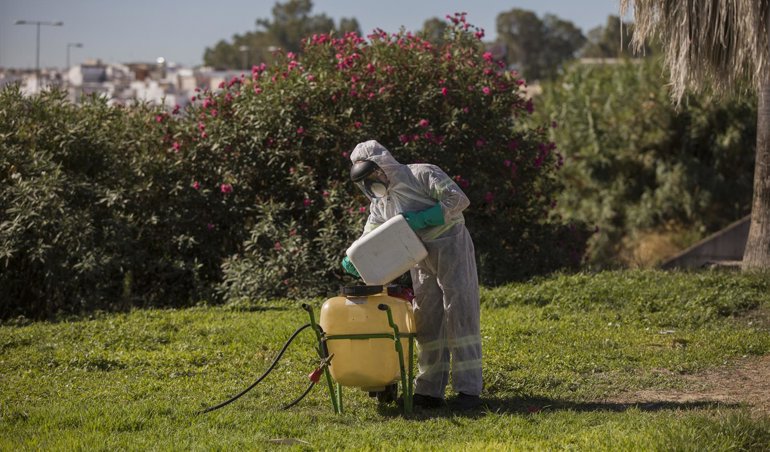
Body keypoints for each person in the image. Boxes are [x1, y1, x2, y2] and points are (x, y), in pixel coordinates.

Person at [341, 140, 483, 410]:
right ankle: (429, 391)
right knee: (427, 320)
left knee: (460, 312)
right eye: (364, 182)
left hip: (450, 245)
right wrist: (354, 256)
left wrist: (424, 218)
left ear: (383, 165)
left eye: (372, 175)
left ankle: (468, 391)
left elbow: (458, 199)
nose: (370, 184)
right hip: (417, 254)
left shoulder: (422, 173)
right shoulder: (380, 202)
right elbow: (371, 231)